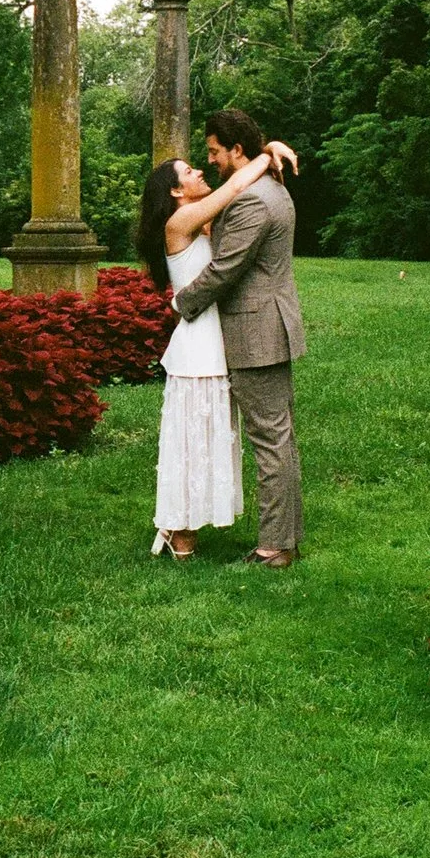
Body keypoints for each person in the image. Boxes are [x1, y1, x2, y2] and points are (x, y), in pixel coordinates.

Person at [133, 133, 299, 559]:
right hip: (196, 346)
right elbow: (235, 187)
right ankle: (178, 530)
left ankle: (185, 533)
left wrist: (265, 150)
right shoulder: (180, 222)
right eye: (189, 171)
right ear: (175, 191)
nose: (200, 169)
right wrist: (269, 153)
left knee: (209, 440)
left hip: (216, 342)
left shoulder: (202, 220)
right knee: (190, 441)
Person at [170, 108, 308, 567]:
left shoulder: (252, 200)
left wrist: (182, 302)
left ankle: (275, 547)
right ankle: (283, 538)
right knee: (277, 437)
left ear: (237, 151)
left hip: (257, 330)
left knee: (270, 440)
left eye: (213, 151)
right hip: (269, 324)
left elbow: (226, 267)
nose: (209, 160)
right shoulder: (271, 186)